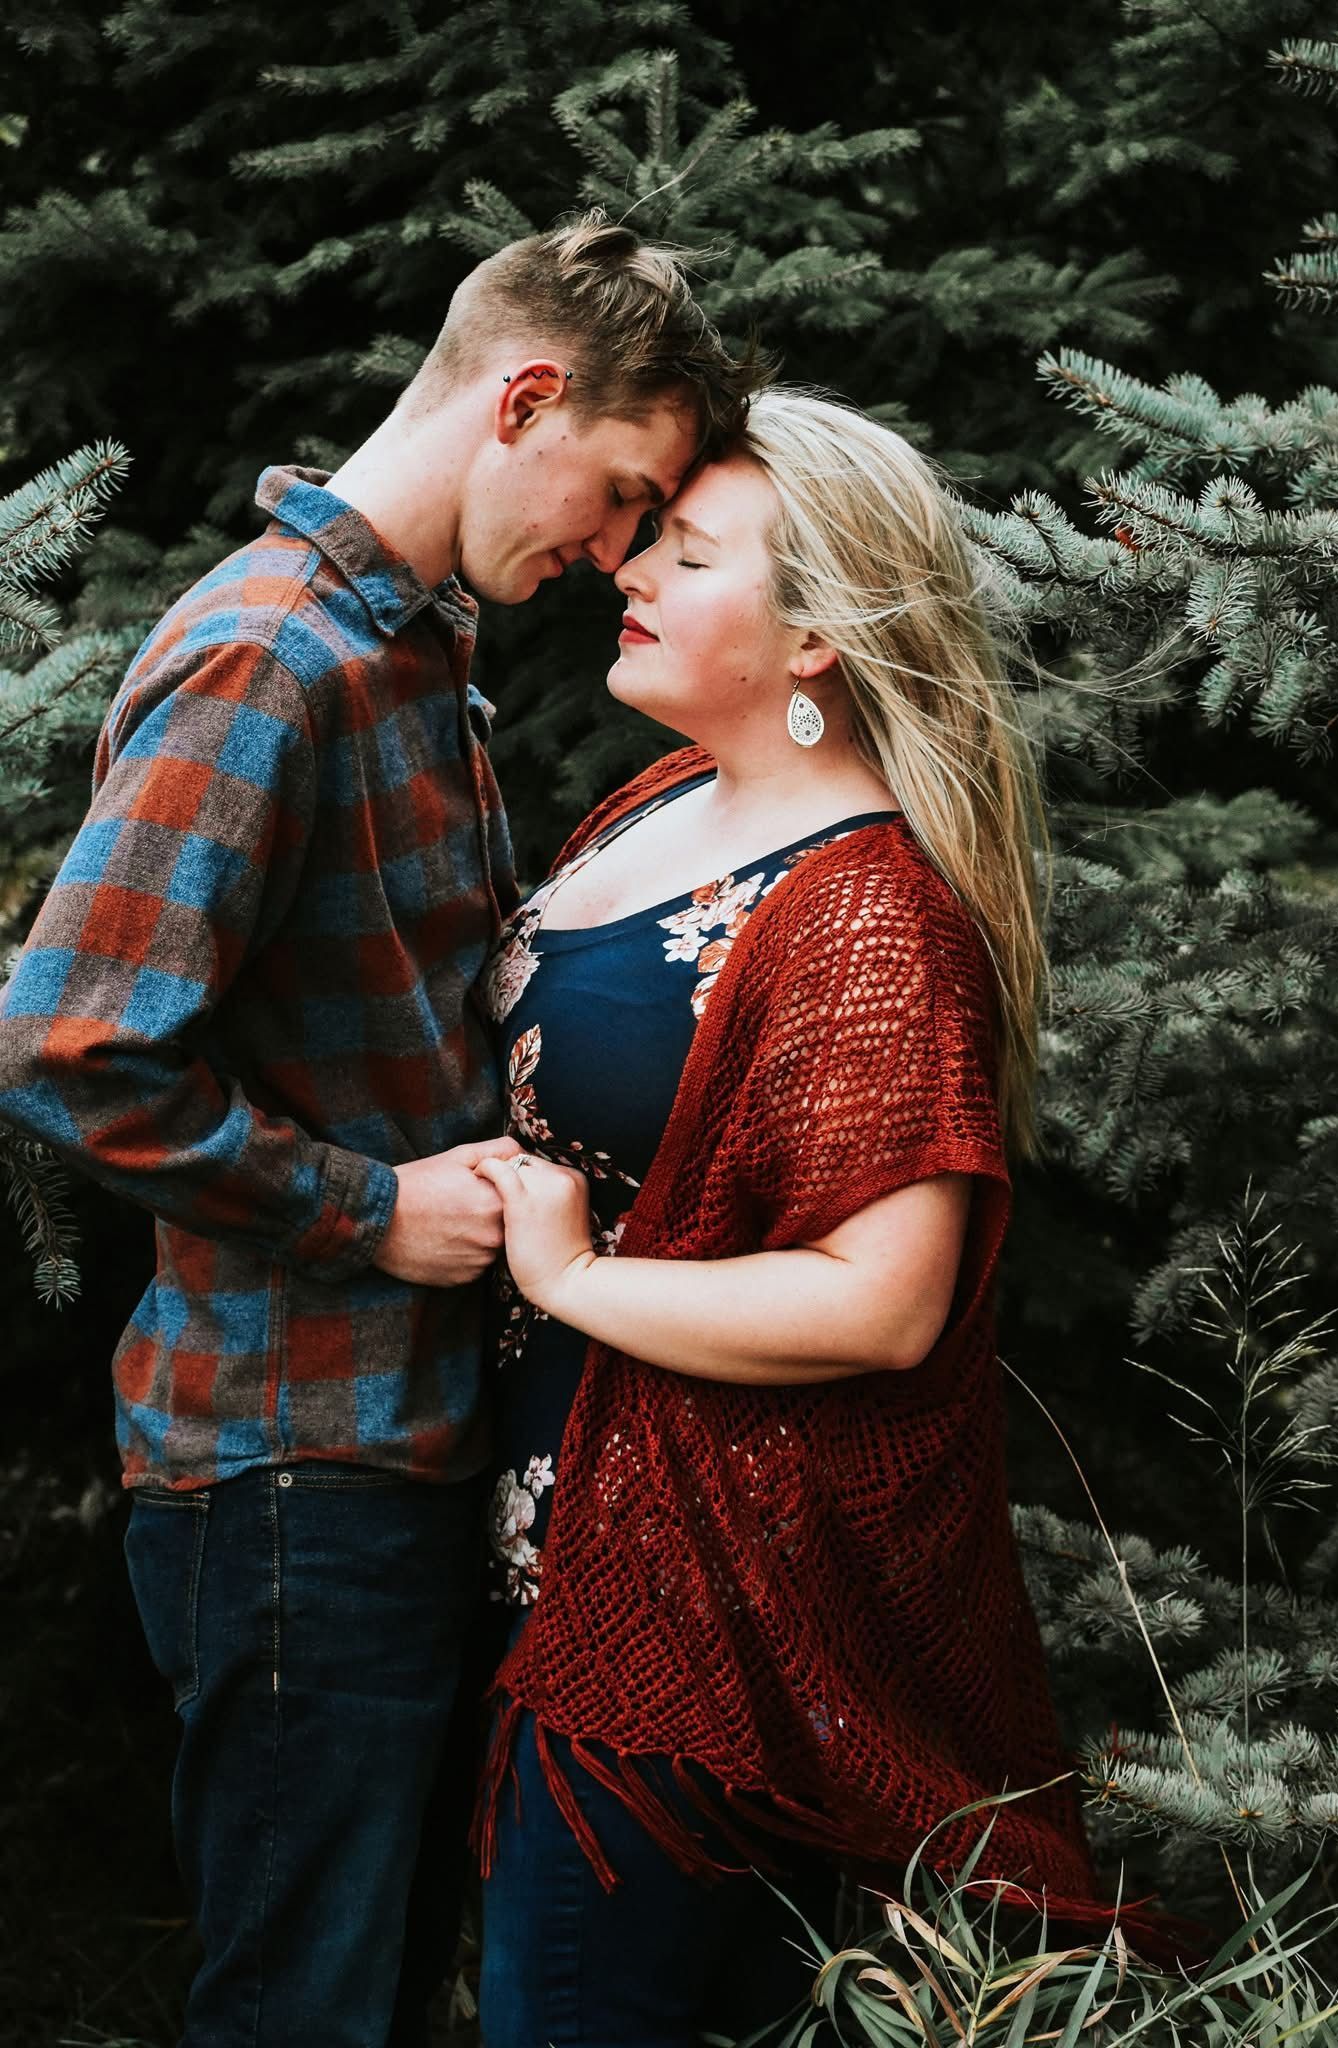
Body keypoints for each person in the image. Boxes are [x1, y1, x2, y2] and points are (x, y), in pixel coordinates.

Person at [0, 213, 761, 2047]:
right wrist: (364, 1210)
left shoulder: (414, 654)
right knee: (304, 2013)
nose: (606, 554)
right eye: (616, 492)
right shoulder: (277, 658)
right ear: (522, 397)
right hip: (287, 1464)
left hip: (382, 1450)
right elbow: (68, 1042)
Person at [469, 387, 1187, 2047]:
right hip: (545, 1556)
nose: (630, 569)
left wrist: (570, 1275)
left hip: (697, 1612)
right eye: (648, 537)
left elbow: (883, 1303)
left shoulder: (868, 916)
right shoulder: (652, 810)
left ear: (812, 642)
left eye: (691, 553)